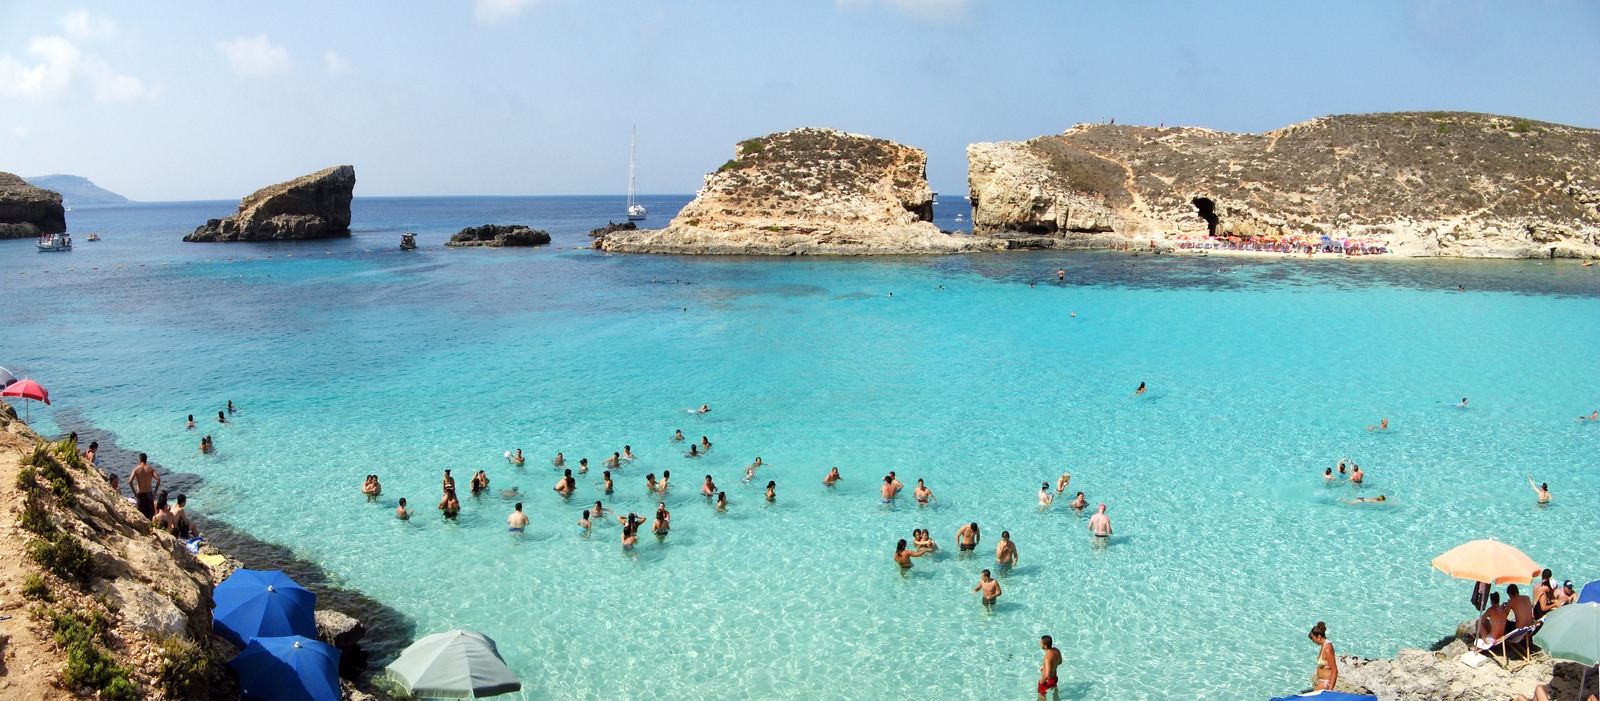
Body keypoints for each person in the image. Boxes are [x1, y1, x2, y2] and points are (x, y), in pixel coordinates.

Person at [1309, 622, 1337, 691]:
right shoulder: (1324, 645)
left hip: (1325, 684)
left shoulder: (1327, 649)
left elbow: (1335, 670)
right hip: (1321, 683)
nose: (1314, 642)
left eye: (1314, 639)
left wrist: (1330, 690)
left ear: (1319, 637)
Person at [130, 453, 159, 519]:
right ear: (146, 460)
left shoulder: (136, 469)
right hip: (149, 494)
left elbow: (130, 481)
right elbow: (158, 480)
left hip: (140, 495)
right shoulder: (151, 469)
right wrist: (154, 493)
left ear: (140, 460)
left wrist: (135, 494)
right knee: (151, 516)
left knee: (141, 516)